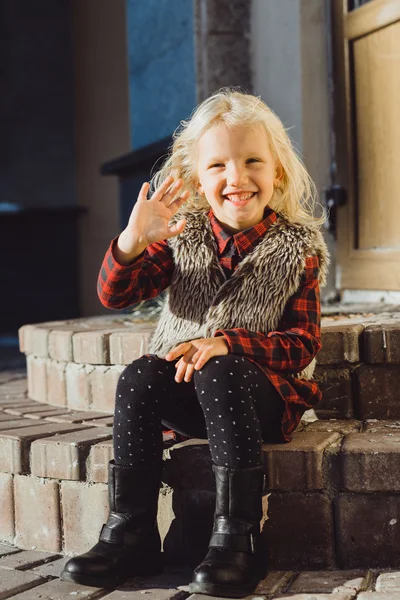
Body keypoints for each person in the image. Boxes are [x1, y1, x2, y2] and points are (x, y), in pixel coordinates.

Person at [60, 88, 330, 596]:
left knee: (220, 368)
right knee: (140, 374)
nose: (237, 178)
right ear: (196, 180)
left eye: (253, 161)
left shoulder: (298, 248)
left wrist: (231, 342)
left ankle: (237, 537)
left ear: (277, 173)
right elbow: (117, 294)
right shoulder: (183, 236)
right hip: (193, 396)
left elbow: (302, 344)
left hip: (265, 398)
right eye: (218, 166)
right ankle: (131, 532)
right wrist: (132, 241)